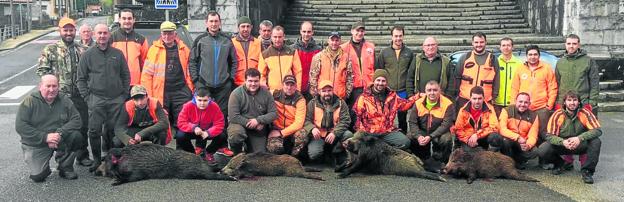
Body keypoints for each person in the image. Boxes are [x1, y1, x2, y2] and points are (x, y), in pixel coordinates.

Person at [36, 17, 92, 167]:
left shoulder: (83, 50)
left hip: (80, 96)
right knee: (63, 128)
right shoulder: (50, 50)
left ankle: (82, 154)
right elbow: (42, 70)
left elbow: (90, 72)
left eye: (71, 30)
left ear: (75, 31)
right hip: (60, 98)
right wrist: (51, 88)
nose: (68, 33)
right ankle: (63, 161)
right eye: (65, 30)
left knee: (83, 126)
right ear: (59, 31)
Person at [77, 24, 130, 172]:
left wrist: (124, 95)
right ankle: (96, 160)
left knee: (113, 131)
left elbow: (126, 75)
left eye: (105, 33)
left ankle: (111, 160)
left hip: (116, 100)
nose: (102, 36)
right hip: (96, 99)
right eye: (99, 33)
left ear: (109, 35)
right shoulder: (87, 55)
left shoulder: (117, 54)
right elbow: (80, 79)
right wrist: (87, 98)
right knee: (94, 131)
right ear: (94, 34)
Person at [16, 75, 84, 182]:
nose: (51, 89)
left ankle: (65, 166)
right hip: (37, 142)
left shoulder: (64, 99)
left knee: (76, 136)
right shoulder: (29, 101)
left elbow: (77, 120)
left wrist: (59, 134)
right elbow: (21, 126)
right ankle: (43, 166)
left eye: (54, 86)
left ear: (58, 87)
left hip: (58, 138)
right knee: (38, 176)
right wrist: (45, 137)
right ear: (40, 87)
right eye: (48, 86)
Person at [556, 34, 601, 170]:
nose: (571, 46)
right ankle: (567, 160)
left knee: (585, 132)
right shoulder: (560, 62)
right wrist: (559, 102)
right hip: (565, 104)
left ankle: (585, 164)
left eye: (574, 44)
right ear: (565, 45)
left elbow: (594, 82)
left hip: (584, 103)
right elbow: (558, 82)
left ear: (579, 45)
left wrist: (592, 102)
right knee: (566, 130)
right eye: (569, 43)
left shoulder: (588, 61)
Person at [141, 21, 194, 136]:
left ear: (175, 34)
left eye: (170, 33)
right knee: (161, 125)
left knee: (182, 123)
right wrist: (149, 96)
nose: (167, 36)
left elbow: (190, 72)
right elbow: (146, 76)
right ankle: (161, 150)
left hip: (181, 91)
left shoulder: (184, 49)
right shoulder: (153, 50)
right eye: (164, 34)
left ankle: (181, 149)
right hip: (161, 92)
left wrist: (190, 89)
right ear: (161, 34)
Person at [537, 91, 602, 184]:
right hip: (563, 145)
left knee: (596, 142)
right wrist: (562, 142)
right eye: (569, 100)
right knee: (543, 149)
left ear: (579, 102)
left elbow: (597, 130)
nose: (572, 103)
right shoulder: (557, 114)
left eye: (575, 100)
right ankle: (559, 163)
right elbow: (550, 135)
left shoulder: (585, 113)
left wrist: (579, 138)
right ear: (564, 102)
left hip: (580, 144)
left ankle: (587, 171)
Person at [189, 11, 238, 120]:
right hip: (204, 84)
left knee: (222, 114)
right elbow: (192, 61)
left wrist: (231, 79)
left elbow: (234, 61)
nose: (213, 24)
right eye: (211, 21)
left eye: (216, 21)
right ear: (206, 23)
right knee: (202, 114)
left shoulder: (227, 40)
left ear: (220, 22)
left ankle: (221, 136)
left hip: (223, 85)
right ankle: (203, 136)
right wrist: (196, 80)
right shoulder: (199, 40)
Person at [352, 69, 417, 150]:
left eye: (383, 81)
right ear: (374, 81)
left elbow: (405, 105)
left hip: (387, 131)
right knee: (357, 146)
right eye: (378, 80)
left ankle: (385, 151)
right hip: (369, 133)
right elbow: (357, 117)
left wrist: (417, 97)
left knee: (405, 142)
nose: (380, 83)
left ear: (386, 82)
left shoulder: (392, 96)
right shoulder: (363, 97)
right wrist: (361, 133)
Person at [227, 68, 278, 154]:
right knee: (236, 135)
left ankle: (248, 147)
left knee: (259, 155)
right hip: (240, 125)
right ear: (245, 80)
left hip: (258, 129)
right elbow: (233, 117)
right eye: (250, 81)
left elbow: (274, 113)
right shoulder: (236, 94)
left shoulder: (266, 93)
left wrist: (259, 120)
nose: (253, 84)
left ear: (259, 80)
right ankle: (237, 153)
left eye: (256, 81)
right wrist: (253, 124)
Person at [510, 45, 557, 135]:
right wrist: (514, 104)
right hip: (523, 107)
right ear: (526, 56)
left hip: (541, 108)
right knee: (523, 132)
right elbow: (514, 88)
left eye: (535, 54)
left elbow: (552, 88)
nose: (533, 57)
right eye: (530, 54)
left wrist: (549, 106)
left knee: (541, 133)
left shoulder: (546, 68)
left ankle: (539, 149)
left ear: (539, 56)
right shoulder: (520, 68)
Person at [303, 80, 352, 165]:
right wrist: (312, 128)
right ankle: (324, 155)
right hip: (319, 134)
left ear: (333, 91)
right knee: (314, 154)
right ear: (319, 92)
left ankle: (336, 152)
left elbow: (346, 120)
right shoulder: (312, 103)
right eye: (324, 91)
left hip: (335, 133)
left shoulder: (341, 102)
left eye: (329, 90)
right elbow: (306, 119)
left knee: (348, 135)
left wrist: (335, 132)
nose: (327, 93)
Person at [376, 25, 414, 133]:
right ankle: (388, 139)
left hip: (402, 91)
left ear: (403, 36)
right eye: (396, 36)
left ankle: (403, 139)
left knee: (402, 118)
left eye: (400, 36)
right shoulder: (384, 52)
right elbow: (379, 70)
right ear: (392, 37)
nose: (398, 38)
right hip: (388, 91)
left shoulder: (409, 53)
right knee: (387, 117)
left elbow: (411, 71)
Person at [176, 87, 229, 162]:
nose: (202, 103)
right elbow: (181, 122)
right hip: (194, 131)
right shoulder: (188, 106)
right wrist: (193, 127)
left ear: (209, 99)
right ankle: (192, 153)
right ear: (195, 98)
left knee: (222, 135)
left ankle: (208, 152)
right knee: (180, 135)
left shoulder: (214, 107)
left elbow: (219, 124)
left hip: (207, 131)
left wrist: (209, 132)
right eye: (199, 100)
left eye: (205, 100)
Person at [408, 80, 455, 164]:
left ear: (440, 91)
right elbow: (412, 122)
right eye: (429, 90)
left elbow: (446, 125)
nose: (432, 93)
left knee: (446, 139)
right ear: (425, 92)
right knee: (410, 136)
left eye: (435, 90)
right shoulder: (418, 103)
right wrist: (418, 136)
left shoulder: (448, 104)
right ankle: (422, 157)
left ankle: (442, 162)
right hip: (423, 131)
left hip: (439, 132)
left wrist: (431, 136)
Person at [450, 32, 500, 109]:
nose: (479, 45)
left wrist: (494, 96)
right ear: (472, 43)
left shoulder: (493, 59)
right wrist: (456, 95)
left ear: (486, 42)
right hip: (465, 99)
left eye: (481, 42)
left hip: (485, 100)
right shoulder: (465, 57)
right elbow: (457, 77)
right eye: (476, 42)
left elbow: (497, 79)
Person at [453, 86, 503, 151]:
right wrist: (467, 140)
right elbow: (458, 130)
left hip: (483, 137)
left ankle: (491, 158)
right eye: (474, 98)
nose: (477, 101)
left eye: (479, 98)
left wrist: (477, 135)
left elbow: (494, 127)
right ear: (470, 98)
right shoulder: (463, 111)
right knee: (469, 153)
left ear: (483, 98)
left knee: (495, 137)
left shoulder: (490, 109)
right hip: (469, 138)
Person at [267, 75, 307, 155]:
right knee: (274, 148)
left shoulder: (300, 100)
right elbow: (261, 94)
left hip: (293, 130)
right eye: (287, 84)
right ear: (282, 85)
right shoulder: (274, 94)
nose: (289, 87)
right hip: (276, 128)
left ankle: (294, 158)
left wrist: (281, 133)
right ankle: (281, 160)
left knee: (302, 135)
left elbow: (299, 123)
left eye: (292, 85)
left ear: (296, 86)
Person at [499, 93, 540, 169]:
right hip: (510, 139)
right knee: (505, 141)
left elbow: (533, 135)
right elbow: (502, 129)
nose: (523, 104)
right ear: (515, 101)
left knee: (535, 151)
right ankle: (507, 163)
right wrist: (517, 137)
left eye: (526, 102)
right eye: (520, 101)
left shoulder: (534, 116)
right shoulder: (506, 110)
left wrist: (528, 145)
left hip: (523, 142)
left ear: (529, 103)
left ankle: (518, 161)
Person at [110, 8, 149, 86]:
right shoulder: (111, 38)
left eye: (129, 18)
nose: (127, 21)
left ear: (134, 20)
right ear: (119, 20)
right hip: (116, 84)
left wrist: (143, 83)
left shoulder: (141, 40)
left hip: (135, 85)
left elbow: (145, 64)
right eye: (124, 18)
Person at [309, 31, 353, 100]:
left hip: (340, 97)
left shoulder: (346, 58)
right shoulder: (319, 57)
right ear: (328, 41)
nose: (334, 43)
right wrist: (316, 95)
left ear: (340, 41)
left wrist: (347, 94)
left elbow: (349, 78)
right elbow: (313, 78)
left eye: (337, 40)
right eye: (332, 40)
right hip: (323, 97)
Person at [258, 25, 302, 93]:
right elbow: (261, 74)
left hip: (289, 90)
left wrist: (297, 89)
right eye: (275, 37)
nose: (277, 39)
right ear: (271, 37)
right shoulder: (265, 54)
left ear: (284, 37)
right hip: (273, 92)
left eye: (280, 37)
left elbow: (298, 71)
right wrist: (264, 88)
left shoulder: (292, 52)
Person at [342, 21, 375, 109]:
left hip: (368, 87)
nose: (360, 33)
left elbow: (374, 66)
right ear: (352, 31)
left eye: (362, 31)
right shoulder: (343, 48)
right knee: (353, 114)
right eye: (357, 30)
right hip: (352, 88)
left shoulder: (370, 47)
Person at [291, 21, 322, 100]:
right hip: (296, 86)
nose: (306, 34)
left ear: (312, 32)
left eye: (309, 32)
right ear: (300, 31)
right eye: (304, 31)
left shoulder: (319, 50)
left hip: (312, 89)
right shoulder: (292, 49)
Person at [493, 37, 523, 116]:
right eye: (503, 45)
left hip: (513, 102)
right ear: (500, 47)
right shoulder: (494, 62)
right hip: (497, 102)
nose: (506, 48)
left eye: (508, 45)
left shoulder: (519, 64)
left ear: (513, 47)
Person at [232, 16, 261, 87]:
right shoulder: (232, 43)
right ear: (238, 27)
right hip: (237, 82)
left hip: (254, 82)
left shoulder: (258, 43)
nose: (245, 29)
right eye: (243, 26)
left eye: (248, 26)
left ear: (251, 27)